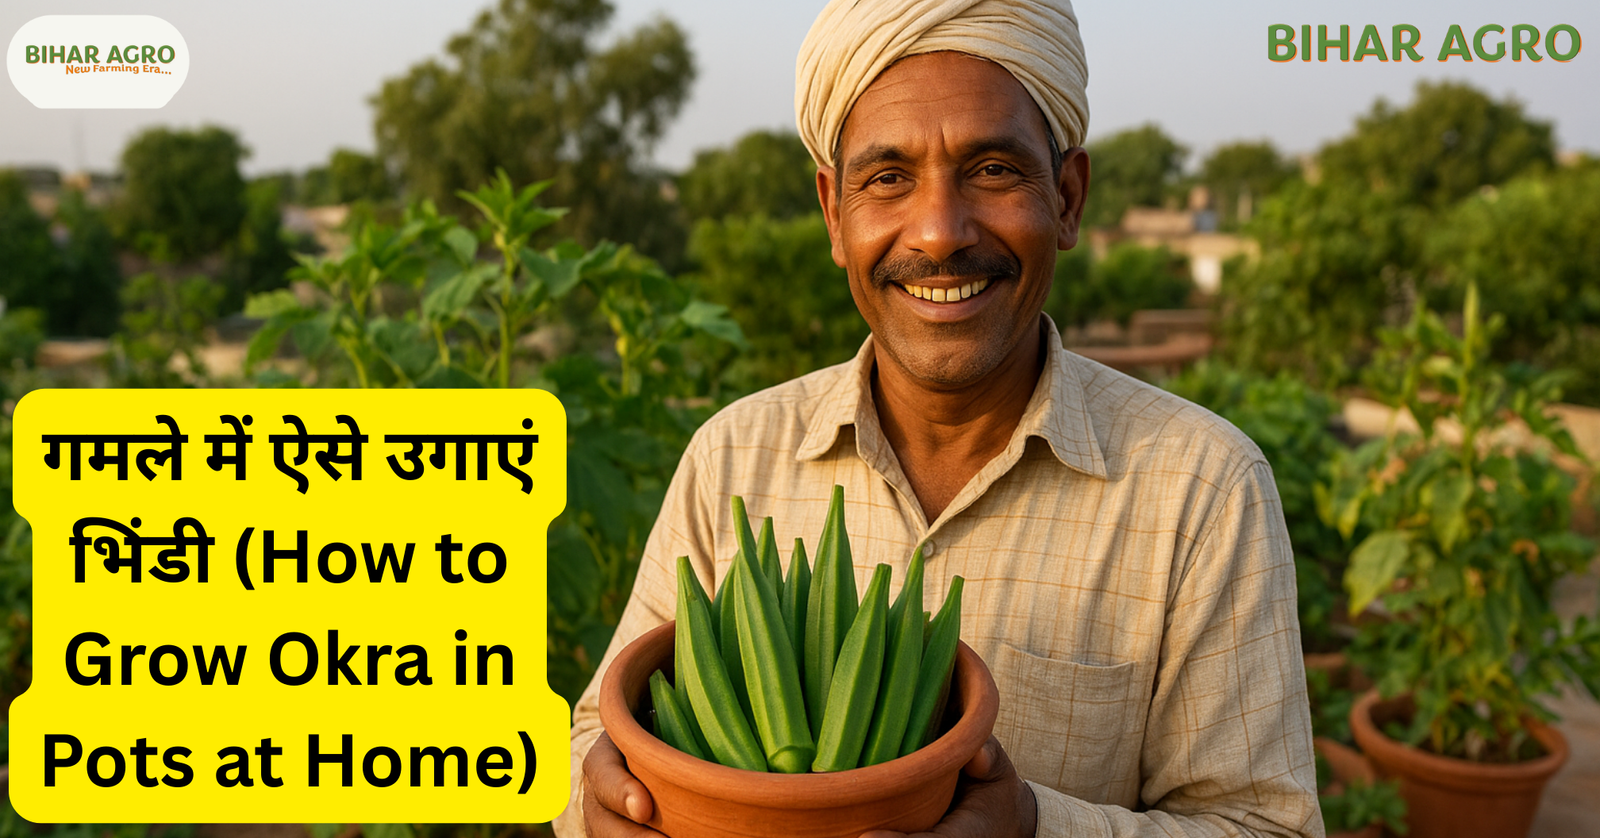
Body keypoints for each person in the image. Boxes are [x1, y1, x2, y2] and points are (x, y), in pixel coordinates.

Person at [555, 1, 1321, 836]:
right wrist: (594, 804)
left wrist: (1031, 826)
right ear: (833, 215)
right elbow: (601, 733)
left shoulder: (1201, 487)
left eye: (993, 170)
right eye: (887, 178)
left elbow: (1264, 825)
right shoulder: (732, 457)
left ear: (1067, 199)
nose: (939, 232)